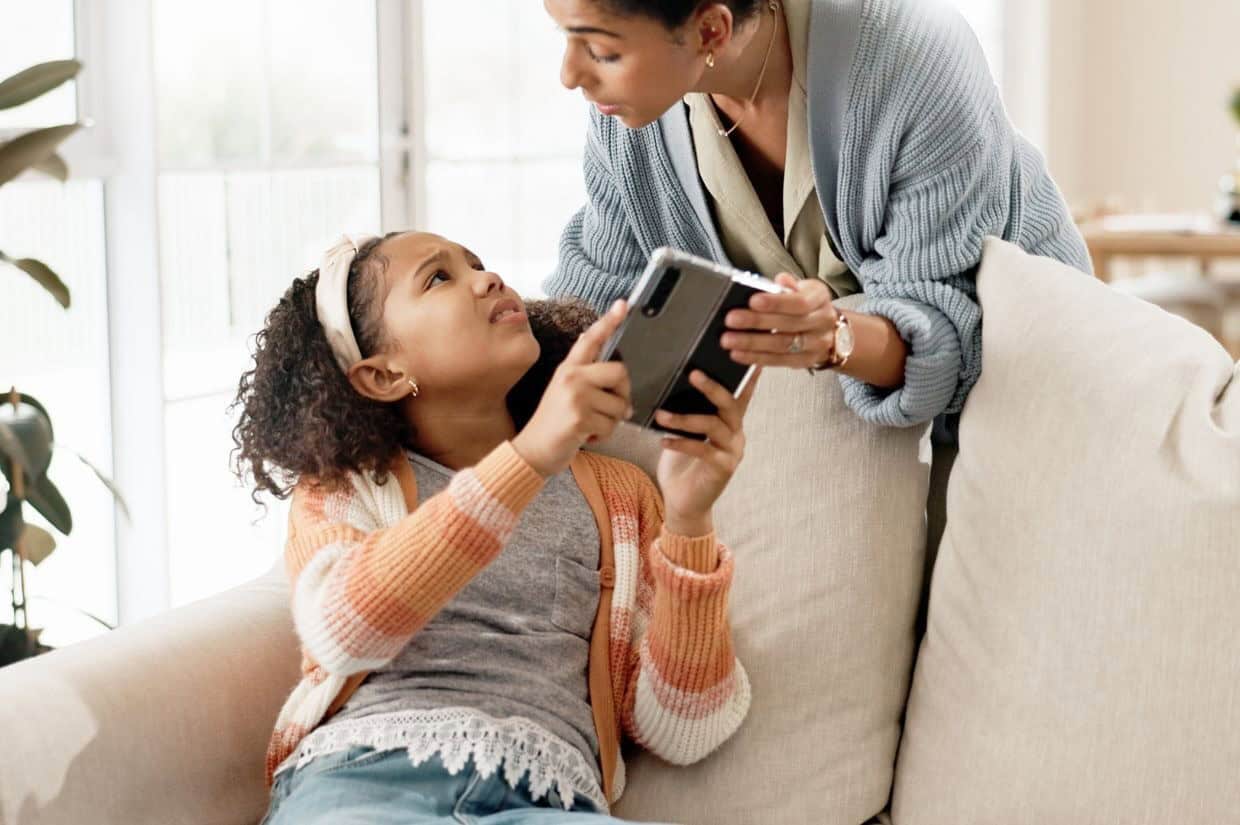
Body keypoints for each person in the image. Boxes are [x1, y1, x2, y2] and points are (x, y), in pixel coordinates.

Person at [232, 230, 754, 823]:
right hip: (366, 780)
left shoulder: (619, 496)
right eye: (438, 277)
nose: (488, 278)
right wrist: (528, 457)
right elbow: (343, 631)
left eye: (478, 263)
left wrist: (689, 520)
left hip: (550, 799)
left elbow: (688, 729)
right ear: (382, 376)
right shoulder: (348, 484)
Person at [543, 0, 1092, 431]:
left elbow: (947, 326)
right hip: (852, 424)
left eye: (601, 51)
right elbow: (597, 296)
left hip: (1027, 376)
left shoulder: (912, 52)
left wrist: (831, 338)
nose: (569, 75)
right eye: (565, 36)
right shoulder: (631, 113)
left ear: (712, 29)